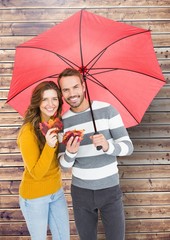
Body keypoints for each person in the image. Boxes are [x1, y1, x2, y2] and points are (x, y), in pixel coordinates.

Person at [58, 68, 134, 240]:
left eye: (75, 87)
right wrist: (70, 153)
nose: (72, 93)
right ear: (62, 93)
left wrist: (108, 146)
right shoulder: (62, 122)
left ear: (83, 86)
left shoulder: (107, 110)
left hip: (110, 190)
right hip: (81, 192)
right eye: (66, 90)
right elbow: (63, 165)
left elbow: (128, 147)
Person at [17, 81, 70, 240]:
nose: (50, 104)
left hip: (56, 192)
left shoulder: (56, 123)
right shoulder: (27, 132)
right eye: (45, 99)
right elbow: (37, 172)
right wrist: (49, 145)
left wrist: (69, 146)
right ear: (37, 102)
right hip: (34, 197)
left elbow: (58, 161)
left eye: (54, 99)